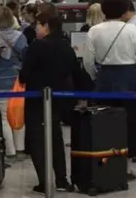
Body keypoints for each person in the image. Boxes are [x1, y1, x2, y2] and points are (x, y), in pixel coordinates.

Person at [83, 0, 136, 174]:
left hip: (105, 80)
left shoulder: (94, 31)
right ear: (125, 9)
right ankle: (129, 162)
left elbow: (88, 61)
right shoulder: (131, 29)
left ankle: (110, 164)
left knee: (106, 124)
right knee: (131, 122)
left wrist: (97, 76)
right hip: (130, 79)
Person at [20, 12, 82, 193]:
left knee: (37, 141)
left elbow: (25, 74)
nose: (36, 28)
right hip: (58, 101)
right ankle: (62, 179)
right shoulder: (66, 46)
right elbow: (75, 72)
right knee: (56, 139)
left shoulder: (37, 46)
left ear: (46, 26)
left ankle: (44, 181)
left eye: (38, 25)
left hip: (36, 99)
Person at [0, 7, 27, 162]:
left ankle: (10, 150)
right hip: (18, 81)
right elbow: (26, 57)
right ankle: (20, 148)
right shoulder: (20, 36)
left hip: (0, 81)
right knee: (19, 115)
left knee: (4, 118)